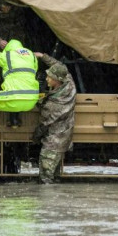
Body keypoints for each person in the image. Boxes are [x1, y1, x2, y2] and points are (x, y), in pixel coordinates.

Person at [32, 52, 77, 184]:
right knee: (54, 178)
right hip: (62, 139)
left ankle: (49, 203)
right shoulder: (69, 84)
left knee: (45, 179)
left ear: (57, 80)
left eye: (49, 77)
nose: (46, 79)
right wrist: (43, 56)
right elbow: (60, 65)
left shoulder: (53, 105)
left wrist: (35, 138)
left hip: (53, 142)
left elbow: (43, 125)